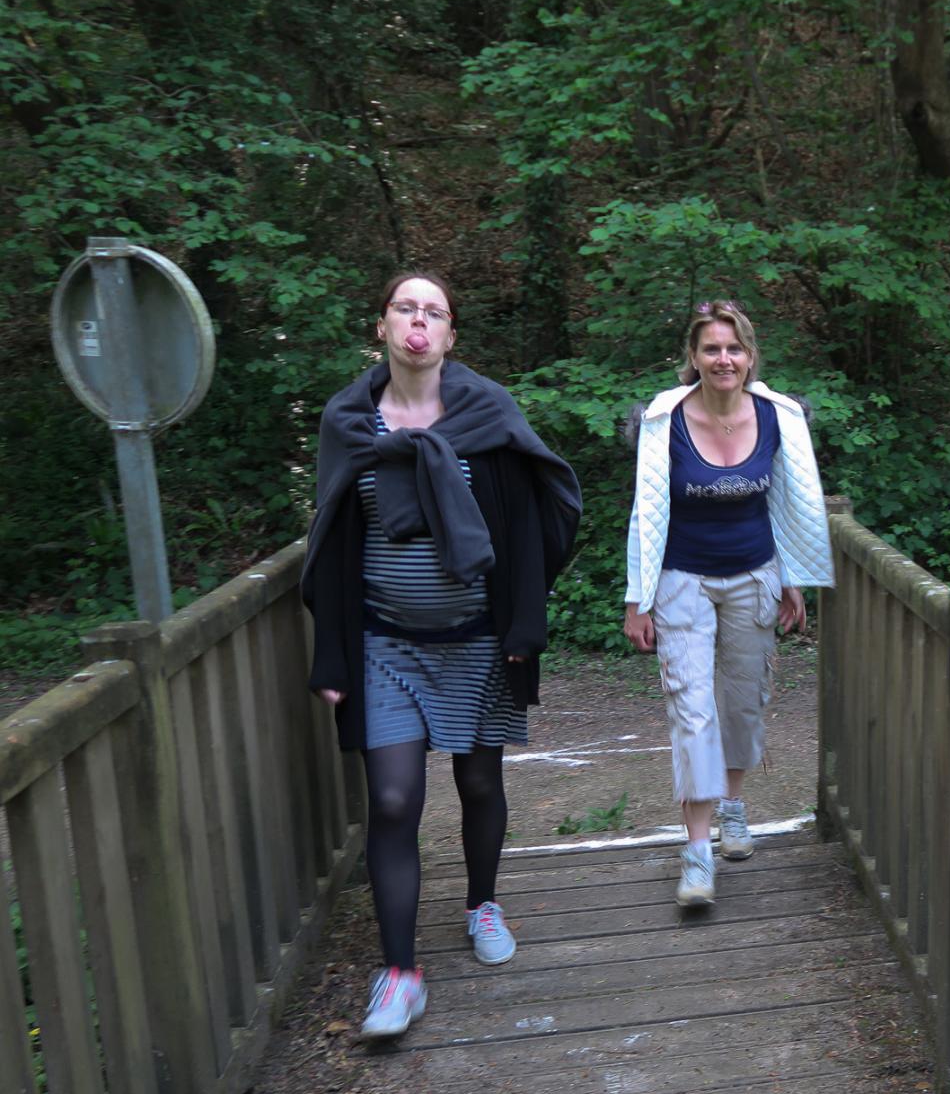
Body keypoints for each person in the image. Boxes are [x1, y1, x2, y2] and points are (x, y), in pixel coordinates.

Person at [302, 271, 582, 1039]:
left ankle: (481, 900)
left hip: (479, 643)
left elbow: (537, 520)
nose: (419, 321)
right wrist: (331, 658)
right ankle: (399, 973)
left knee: (479, 781)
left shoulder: (487, 414)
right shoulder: (348, 421)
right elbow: (328, 544)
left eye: (435, 311)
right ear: (384, 326)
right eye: (405, 308)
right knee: (392, 800)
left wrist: (524, 625)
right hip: (384, 642)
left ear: (451, 336)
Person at [624, 300, 832, 909]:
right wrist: (638, 600)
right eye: (711, 349)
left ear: (749, 357)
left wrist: (793, 576)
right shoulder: (665, 421)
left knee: (743, 704)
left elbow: (791, 503)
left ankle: (733, 804)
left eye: (733, 349)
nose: (723, 359)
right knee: (693, 711)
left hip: (754, 577)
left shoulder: (778, 418)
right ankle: (696, 853)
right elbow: (646, 512)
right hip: (681, 581)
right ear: (693, 357)